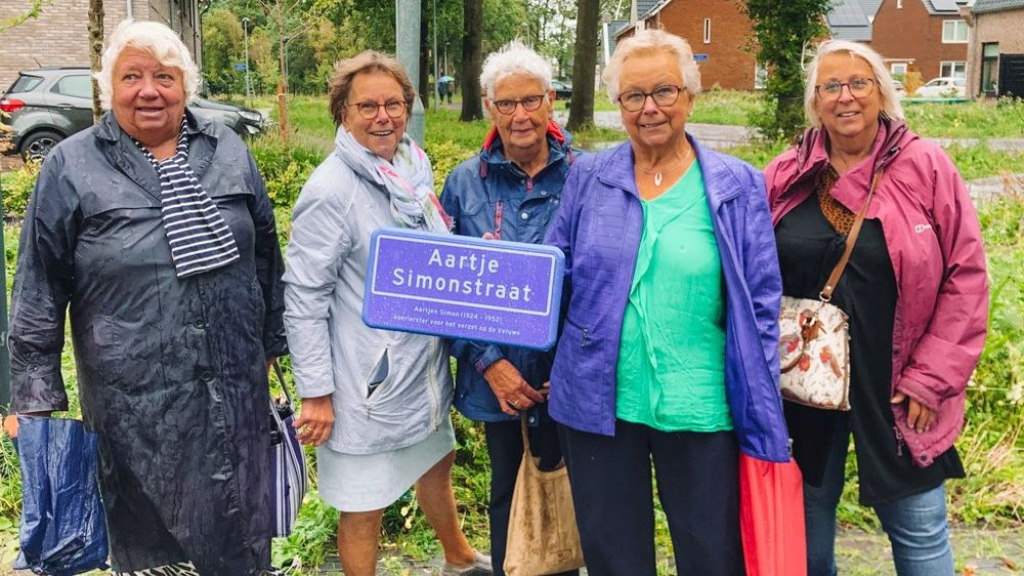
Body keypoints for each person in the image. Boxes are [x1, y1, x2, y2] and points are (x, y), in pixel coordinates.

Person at [2, 19, 287, 576]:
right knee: (150, 540)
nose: (149, 89)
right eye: (132, 76)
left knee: (239, 532)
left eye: (165, 75)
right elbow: (39, 286)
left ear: (186, 84)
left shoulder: (227, 150)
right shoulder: (71, 165)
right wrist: (34, 399)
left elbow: (266, 255)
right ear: (110, 88)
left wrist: (270, 344)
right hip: (134, 403)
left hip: (233, 388)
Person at [543, 29, 788, 576]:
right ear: (618, 105)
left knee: (711, 555)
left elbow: (762, 302)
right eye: (634, 96)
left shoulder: (737, 184)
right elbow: (553, 271)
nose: (649, 108)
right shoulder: (588, 177)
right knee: (613, 557)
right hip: (598, 400)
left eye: (664, 92)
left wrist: (760, 386)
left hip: (701, 404)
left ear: (690, 98)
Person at [764, 40, 988, 576]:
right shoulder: (786, 172)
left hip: (897, 387)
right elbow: (749, 274)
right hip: (803, 386)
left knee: (919, 529)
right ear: (815, 101)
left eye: (860, 83)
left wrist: (931, 379)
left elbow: (967, 277)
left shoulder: (925, 166)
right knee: (804, 528)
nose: (847, 97)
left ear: (883, 94)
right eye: (831, 86)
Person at [282, 51, 491, 576]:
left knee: (435, 464)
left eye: (393, 103)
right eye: (367, 106)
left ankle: (459, 558)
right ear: (343, 114)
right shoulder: (332, 191)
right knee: (363, 505)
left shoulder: (411, 172)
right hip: (366, 386)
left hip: (420, 372)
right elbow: (304, 296)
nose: (383, 117)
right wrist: (316, 392)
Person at [441, 41, 581, 576]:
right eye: (506, 103)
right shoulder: (463, 183)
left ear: (550, 103)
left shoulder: (586, 175)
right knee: (508, 491)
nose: (519, 115)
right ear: (488, 106)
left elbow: (603, 280)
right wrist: (490, 363)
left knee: (572, 493)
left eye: (530, 101)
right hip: (493, 379)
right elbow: (445, 289)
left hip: (570, 375)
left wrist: (569, 365)